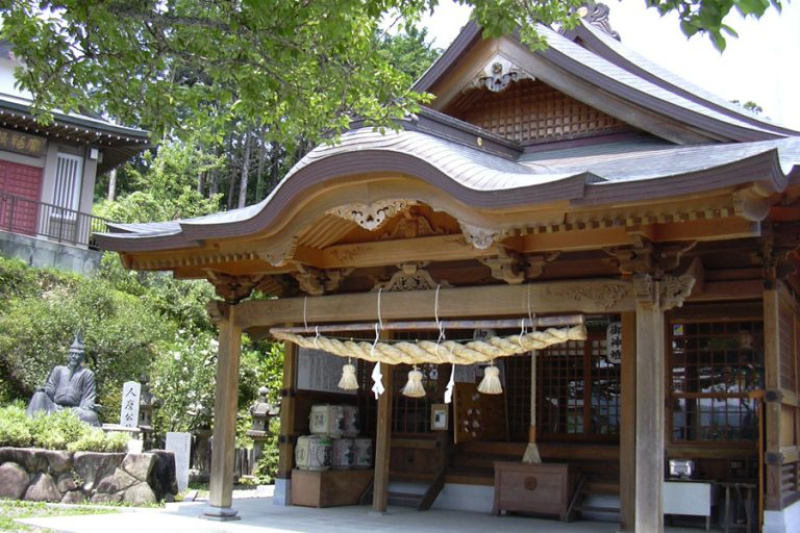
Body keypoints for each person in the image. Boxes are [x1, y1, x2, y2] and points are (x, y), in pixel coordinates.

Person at [26, 333, 100, 426]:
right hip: (55, 408)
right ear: (68, 355)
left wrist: (87, 406)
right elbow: (50, 389)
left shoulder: (87, 374)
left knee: (90, 416)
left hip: (74, 411)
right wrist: (44, 390)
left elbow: (88, 397)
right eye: (72, 354)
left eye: (77, 354)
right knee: (39, 395)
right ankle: (30, 425)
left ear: (81, 357)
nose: (74, 356)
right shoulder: (58, 370)